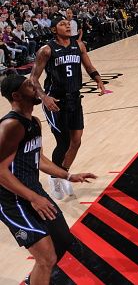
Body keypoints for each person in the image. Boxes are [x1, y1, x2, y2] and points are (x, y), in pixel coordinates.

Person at [0, 75, 96, 285]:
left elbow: (39, 158)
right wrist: (33, 197)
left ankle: (35, 279)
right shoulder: (11, 126)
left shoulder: (33, 122)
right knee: (47, 258)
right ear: (16, 95)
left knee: (63, 241)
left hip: (32, 190)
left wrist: (68, 175)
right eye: (28, 85)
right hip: (12, 200)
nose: (35, 86)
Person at [30, 19, 106, 201]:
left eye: (68, 23)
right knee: (63, 142)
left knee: (76, 141)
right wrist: (44, 97)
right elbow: (33, 78)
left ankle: (63, 173)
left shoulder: (78, 45)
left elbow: (88, 66)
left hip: (74, 99)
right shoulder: (47, 50)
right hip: (55, 101)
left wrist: (98, 80)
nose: (67, 25)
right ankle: (55, 178)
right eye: (63, 23)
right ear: (53, 29)